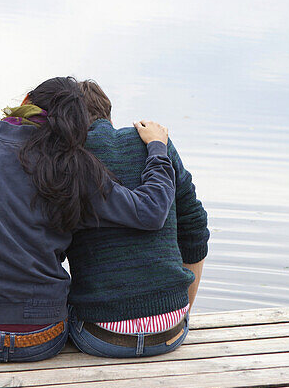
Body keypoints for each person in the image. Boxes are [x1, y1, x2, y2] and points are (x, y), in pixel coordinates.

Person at [0, 76, 176, 364]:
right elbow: (150, 211)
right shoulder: (74, 167)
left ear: (25, 103)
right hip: (45, 337)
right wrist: (158, 150)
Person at [66, 80, 209, 358]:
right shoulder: (157, 143)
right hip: (171, 333)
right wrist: (182, 310)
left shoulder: (67, 160)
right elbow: (194, 227)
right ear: (108, 114)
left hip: (99, 336)